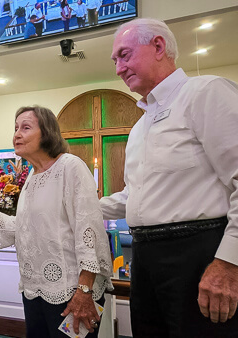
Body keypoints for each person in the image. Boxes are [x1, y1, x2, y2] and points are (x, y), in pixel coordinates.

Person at [102, 18, 238, 336]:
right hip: (147, 258)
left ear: (159, 46)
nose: (119, 69)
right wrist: (76, 205)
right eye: (115, 61)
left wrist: (229, 262)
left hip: (198, 253)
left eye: (124, 55)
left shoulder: (205, 93)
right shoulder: (139, 128)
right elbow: (136, 196)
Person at [0, 106, 113, 337]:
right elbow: (22, 228)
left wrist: (84, 290)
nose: (16, 134)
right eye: (15, 128)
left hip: (72, 290)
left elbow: (89, 232)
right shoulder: (31, 179)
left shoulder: (70, 166)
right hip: (35, 289)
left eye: (25, 127)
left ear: (47, 133)